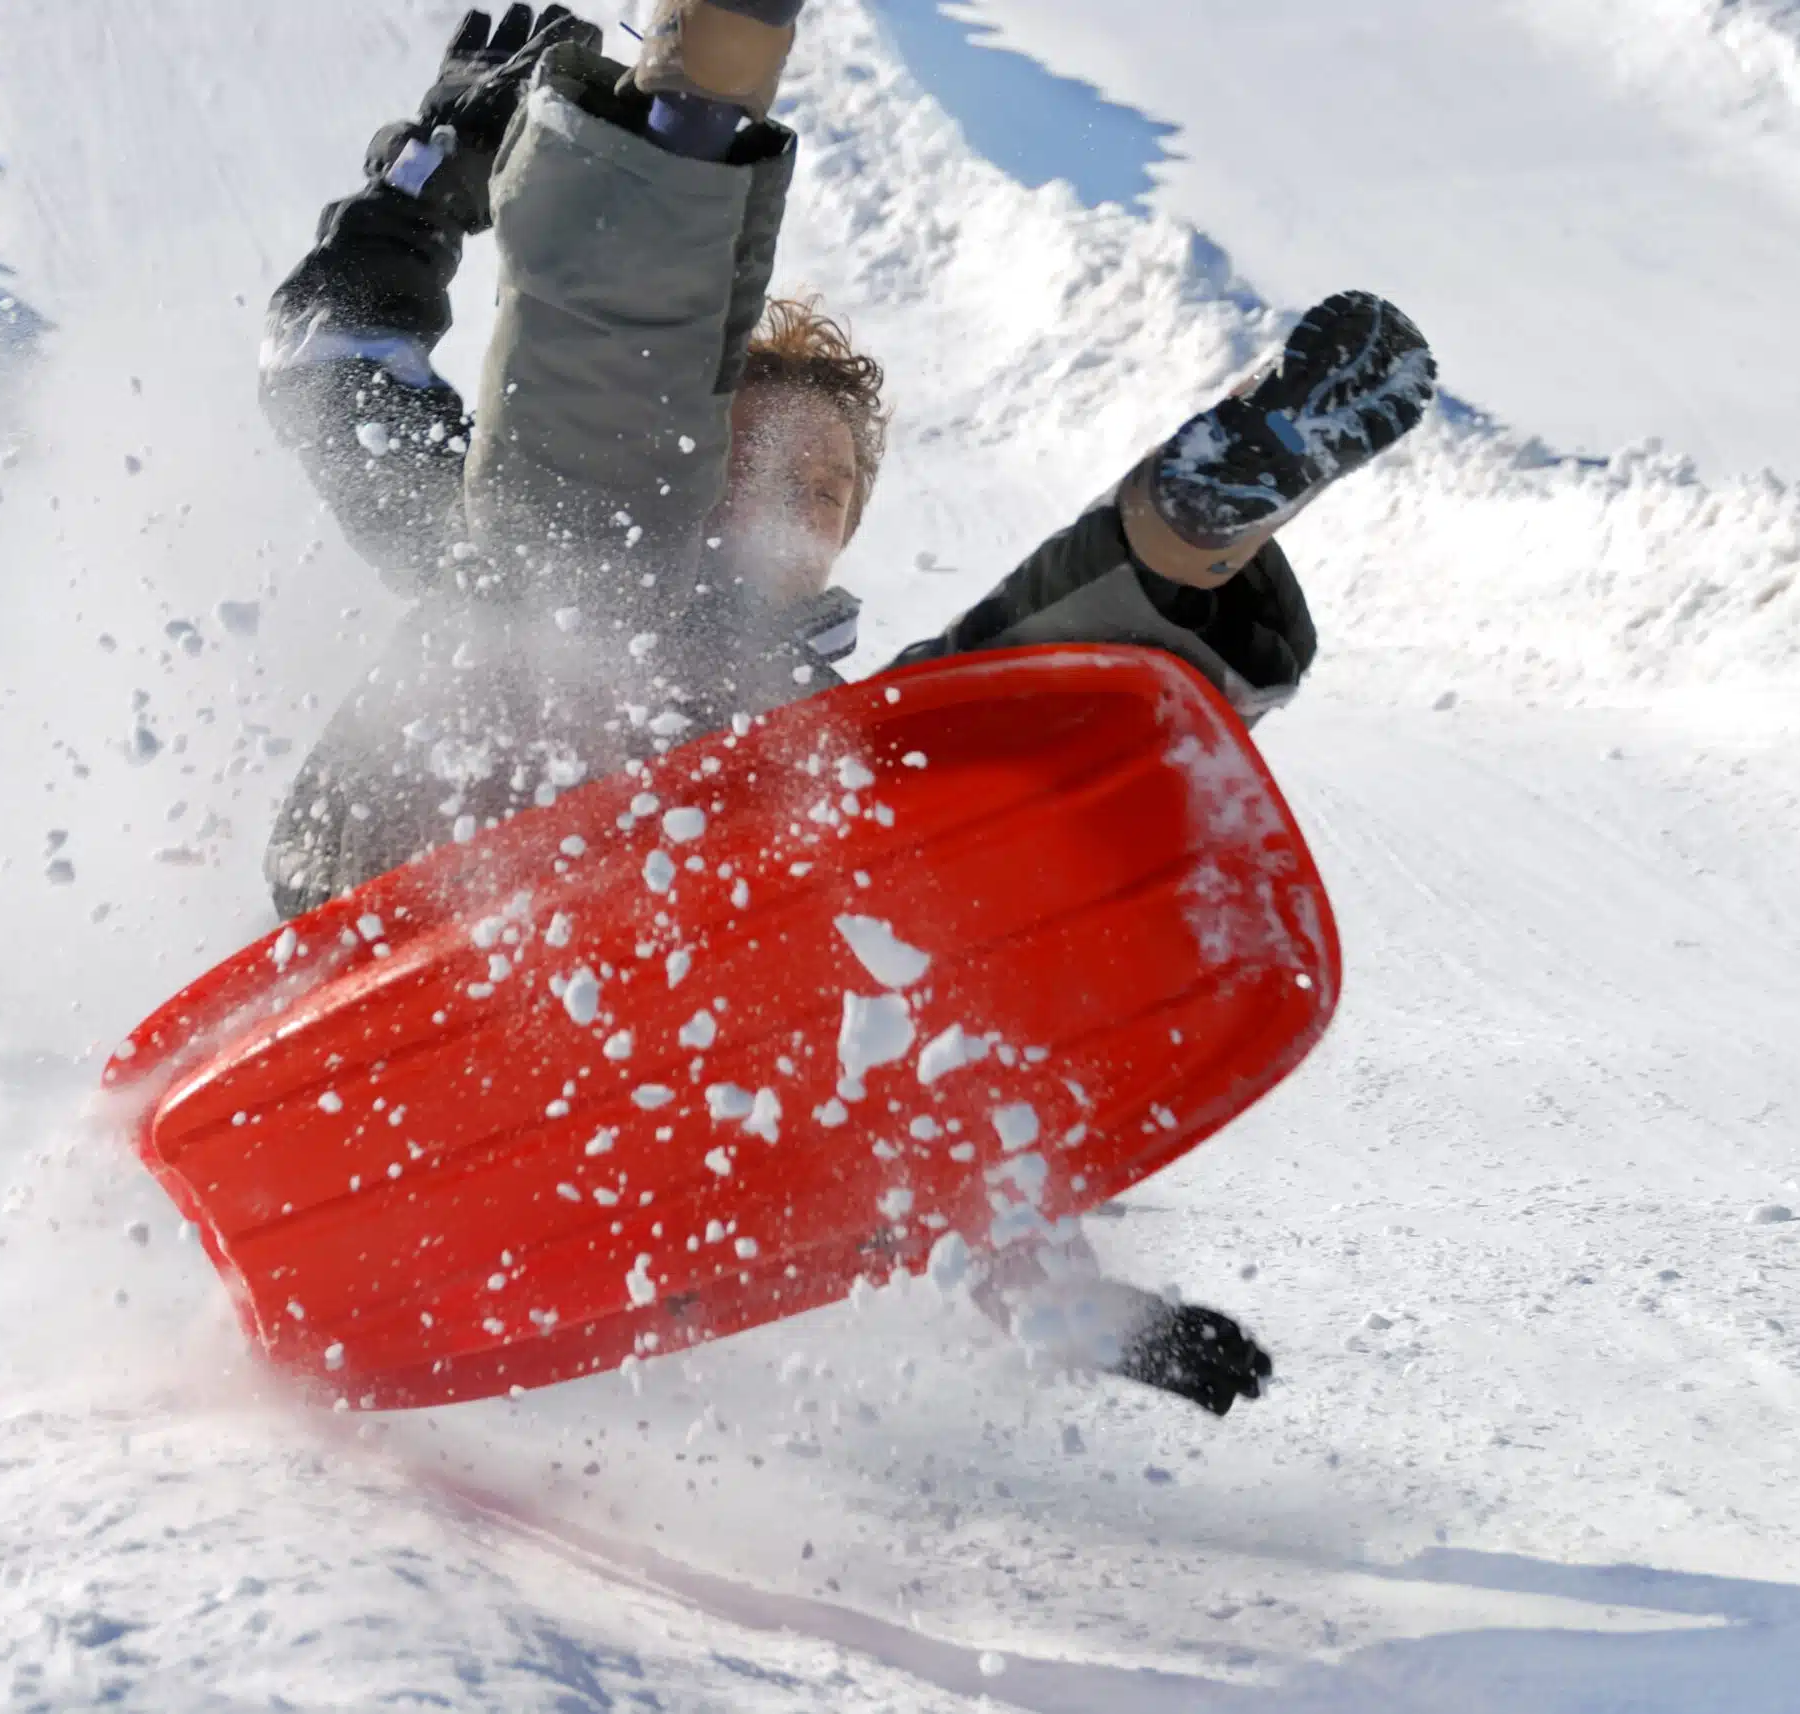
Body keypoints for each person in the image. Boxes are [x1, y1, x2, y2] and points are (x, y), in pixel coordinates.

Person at [256, 2, 1438, 1416]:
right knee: (583, 541)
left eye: (824, 495)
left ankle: (1187, 544)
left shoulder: (803, 754)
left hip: (616, 1009)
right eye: (760, 465)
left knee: (935, 775)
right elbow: (333, 373)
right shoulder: (512, 540)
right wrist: (431, 170)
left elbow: (900, 1027)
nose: (790, 511)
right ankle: (696, 86)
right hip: (398, 876)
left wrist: (1071, 1302)